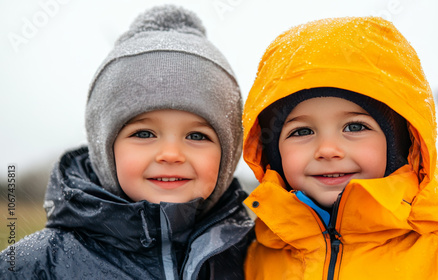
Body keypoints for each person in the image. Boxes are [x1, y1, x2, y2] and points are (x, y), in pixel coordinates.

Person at [1, 5, 253, 279]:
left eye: (196, 136)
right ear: (105, 151)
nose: (170, 154)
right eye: (144, 134)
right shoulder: (35, 267)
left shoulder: (259, 259)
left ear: (228, 155)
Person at [242, 16, 438, 279]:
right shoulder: (255, 261)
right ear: (272, 153)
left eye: (354, 127)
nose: (328, 150)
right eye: (302, 131)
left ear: (401, 144)